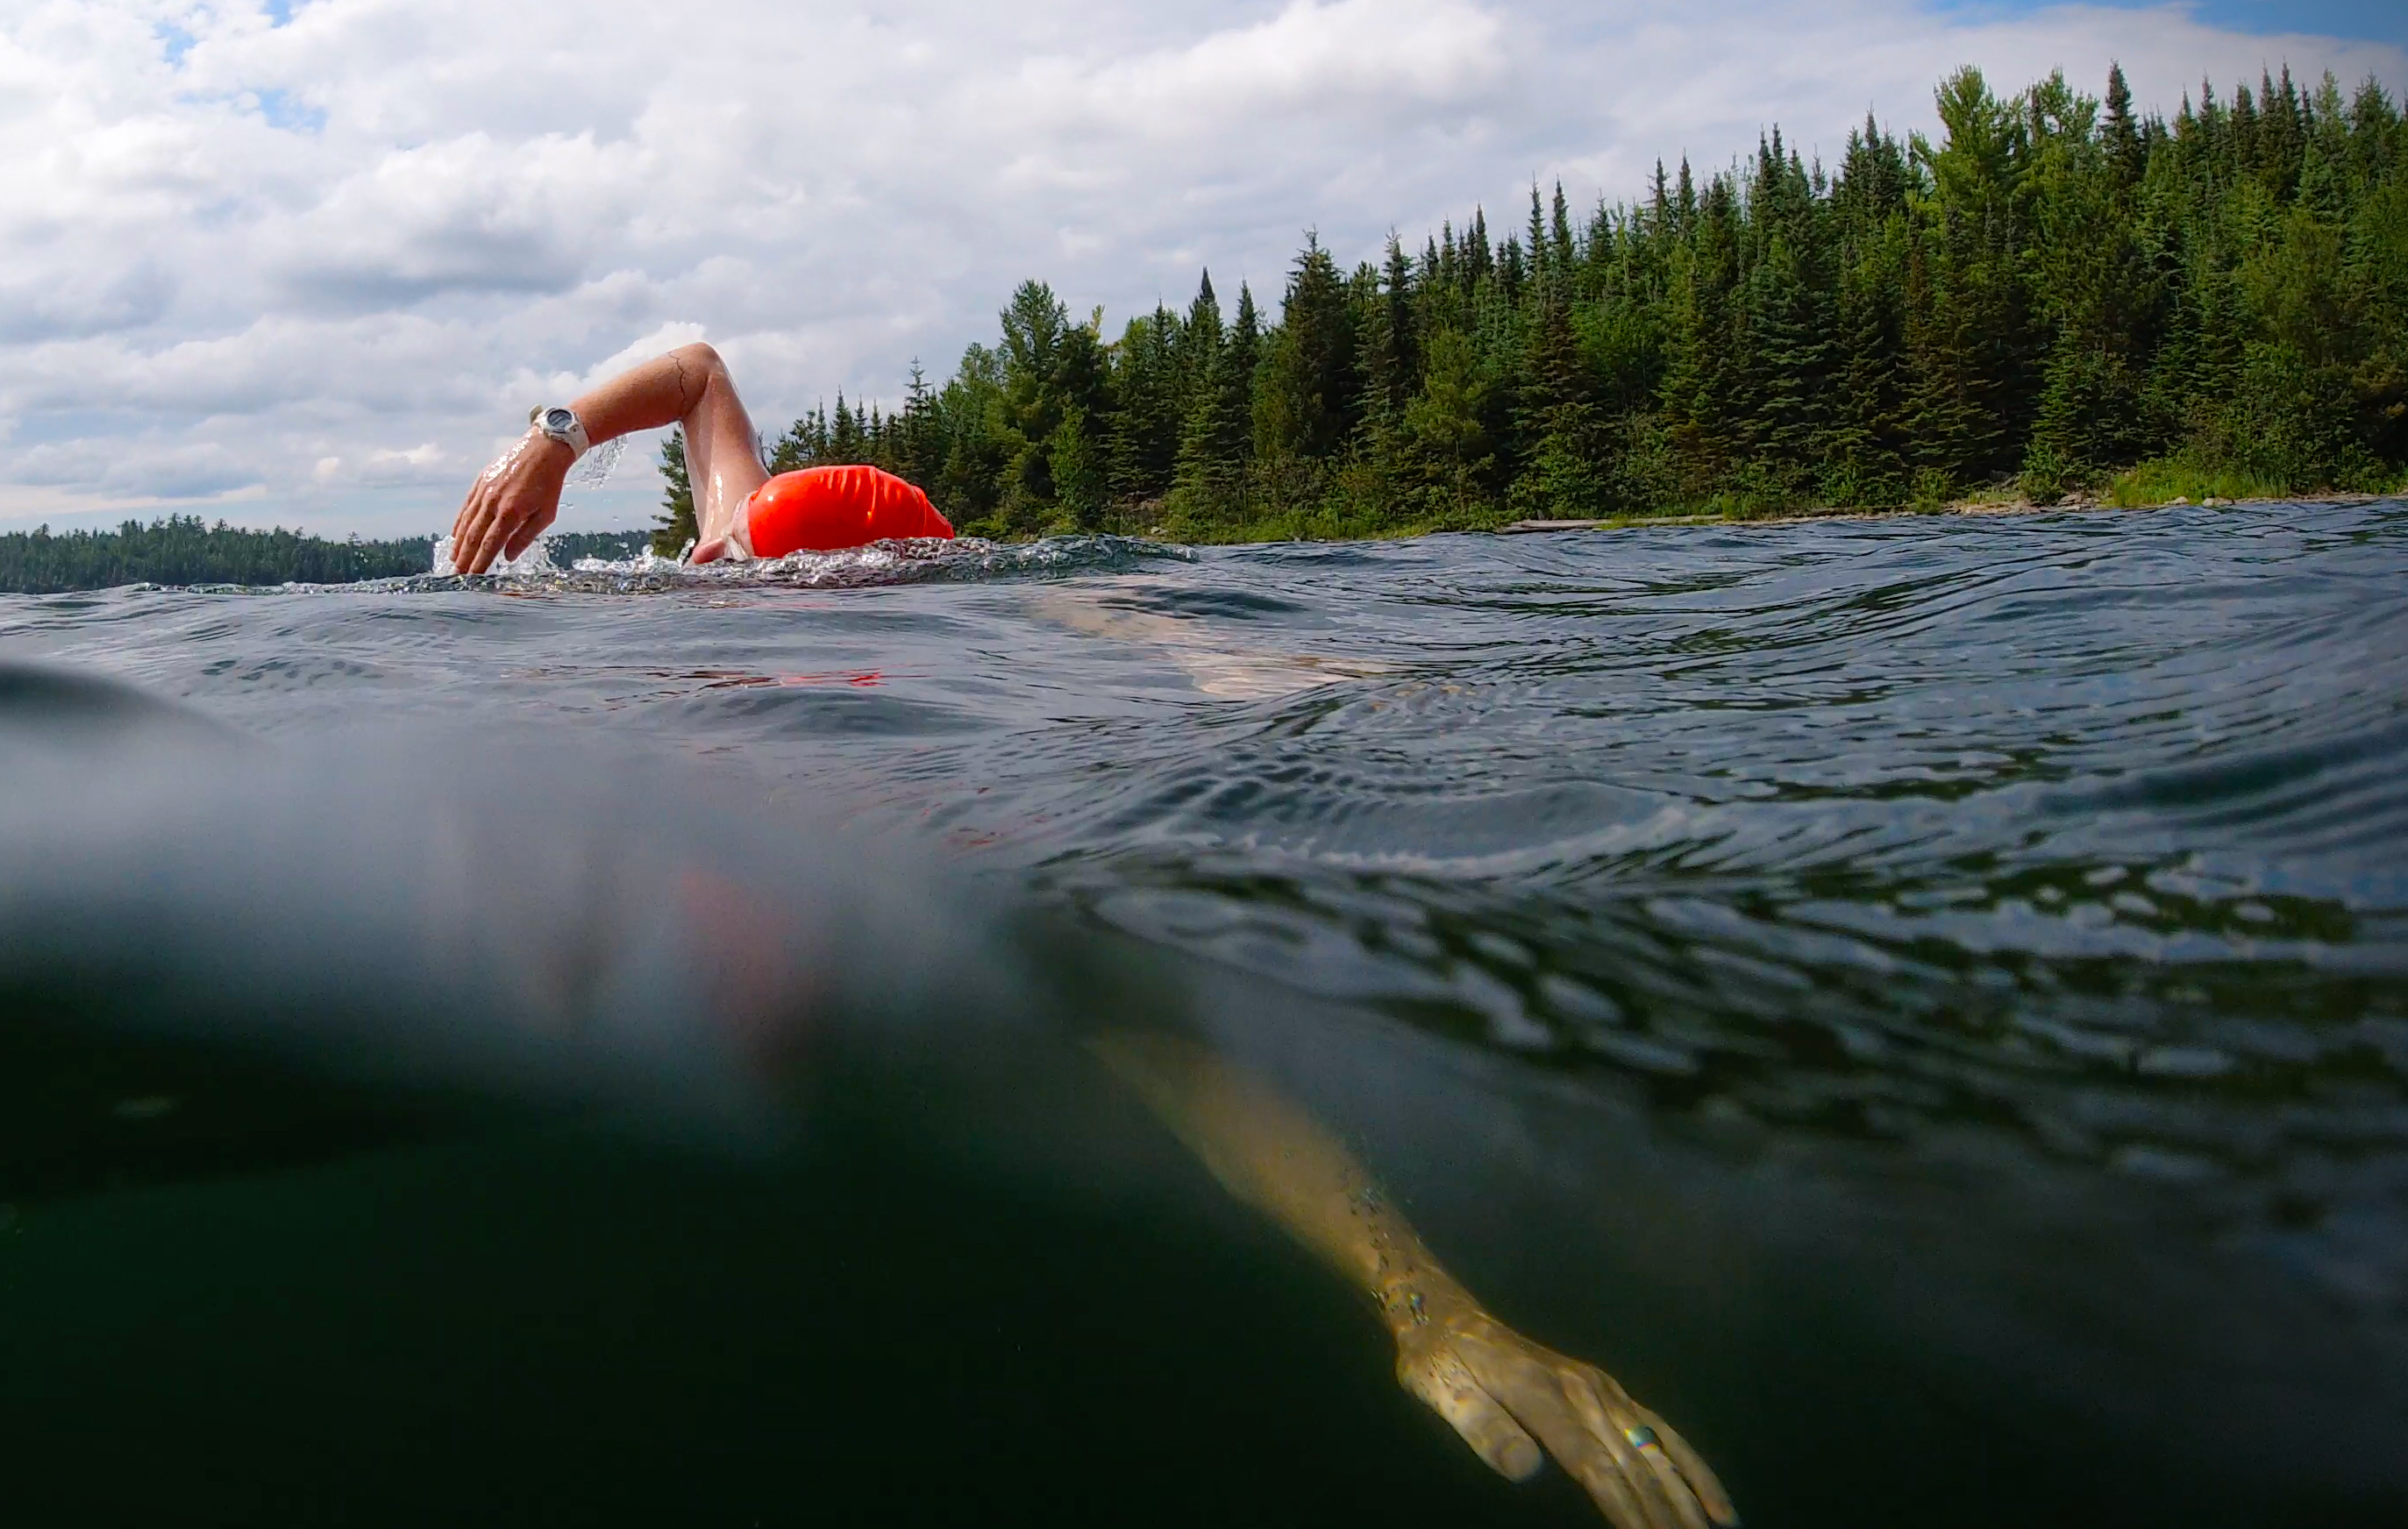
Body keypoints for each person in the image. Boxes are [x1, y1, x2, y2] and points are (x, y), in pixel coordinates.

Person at [446, 345, 1735, 1528]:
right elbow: (698, 371)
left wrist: (1431, 1309)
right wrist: (549, 443)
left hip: (886, 910)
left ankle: (1214, 657)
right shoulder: (725, 568)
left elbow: (1193, 1079)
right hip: (795, 941)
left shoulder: (811, 653)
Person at [445, 342, 950, 574]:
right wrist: (555, 443)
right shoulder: (740, 522)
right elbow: (701, 371)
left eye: (740, 563)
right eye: (729, 536)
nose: (706, 553)